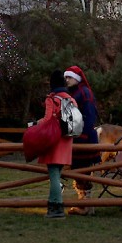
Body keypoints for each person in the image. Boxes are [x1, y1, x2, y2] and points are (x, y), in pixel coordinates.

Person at [37, 71, 76, 219]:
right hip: (67, 139)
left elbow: (47, 119)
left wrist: (36, 124)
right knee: (56, 173)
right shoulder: (71, 98)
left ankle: (57, 208)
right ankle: (54, 204)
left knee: (53, 174)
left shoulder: (52, 99)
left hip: (54, 139)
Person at [63, 65, 100, 215]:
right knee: (78, 171)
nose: (67, 80)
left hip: (83, 138)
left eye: (69, 77)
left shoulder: (84, 93)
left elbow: (90, 116)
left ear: (77, 78)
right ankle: (84, 204)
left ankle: (86, 205)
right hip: (75, 137)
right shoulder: (71, 93)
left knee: (82, 171)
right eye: (66, 77)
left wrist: (81, 133)